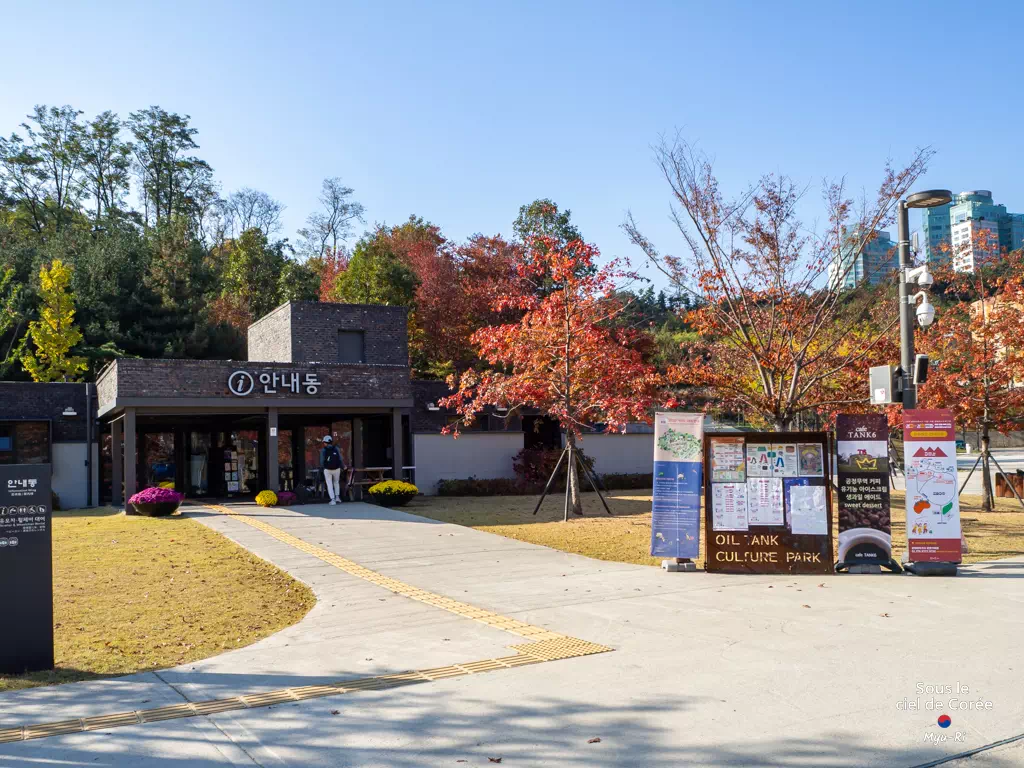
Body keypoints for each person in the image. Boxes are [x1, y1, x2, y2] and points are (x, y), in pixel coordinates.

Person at [320, 435, 345, 505]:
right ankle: (337, 497)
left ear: (325, 442)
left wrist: (323, 468)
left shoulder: (323, 450)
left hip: (327, 469)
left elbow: (322, 461)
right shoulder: (336, 448)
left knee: (329, 484)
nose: (323, 443)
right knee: (336, 482)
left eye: (324, 442)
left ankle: (332, 499)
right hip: (337, 468)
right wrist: (343, 466)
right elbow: (340, 458)